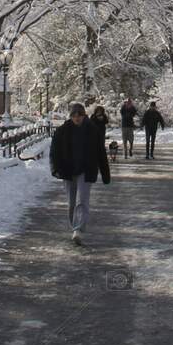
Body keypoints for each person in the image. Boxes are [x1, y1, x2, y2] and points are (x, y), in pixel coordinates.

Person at [50, 102, 110, 245]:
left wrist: (105, 172)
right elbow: (54, 152)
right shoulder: (62, 131)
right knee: (71, 203)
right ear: (70, 116)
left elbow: (100, 152)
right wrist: (55, 168)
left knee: (82, 201)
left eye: (79, 115)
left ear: (84, 116)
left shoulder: (92, 130)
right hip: (68, 170)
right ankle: (74, 227)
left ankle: (78, 229)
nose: (77, 118)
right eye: (74, 115)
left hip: (86, 169)